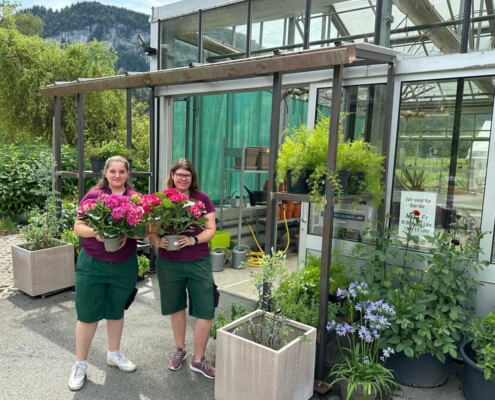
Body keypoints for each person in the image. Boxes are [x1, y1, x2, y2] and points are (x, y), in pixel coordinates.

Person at [68, 155, 142, 391]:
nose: (118, 176)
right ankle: (80, 363)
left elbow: (144, 231)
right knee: (87, 315)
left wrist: (127, 233)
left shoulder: (135, 199)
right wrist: (98, 234)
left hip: (123, 265)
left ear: (128, 174)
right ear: (106, 173)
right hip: (93, 265)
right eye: (113, 171)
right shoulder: (94, 197)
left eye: (122, 171)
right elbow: (78, 226)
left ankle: (114, 354)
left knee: (115, 310)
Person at [148, 158, 217, 379]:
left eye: (186, 175)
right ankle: (180, 350)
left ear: (192, 178)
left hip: (198, 261)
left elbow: (210, 228)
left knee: (205, 309)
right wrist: (158, 241)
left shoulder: (202, 199)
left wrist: (194, 240)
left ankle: (199, 359)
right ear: (172, 176)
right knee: (175, 306)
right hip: (169, 263)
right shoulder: (162, 200)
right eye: (179, 174)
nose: (183, 178)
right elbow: (152, 232)